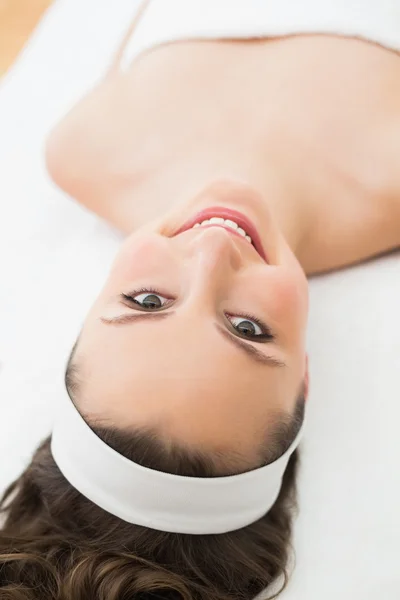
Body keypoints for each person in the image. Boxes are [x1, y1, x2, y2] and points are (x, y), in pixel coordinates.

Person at [1, 1, 400, 599]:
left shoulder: (85, 149)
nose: (212, 254)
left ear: (86, 313)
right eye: (247, 326)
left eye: (146, 300)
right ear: (304, 379)